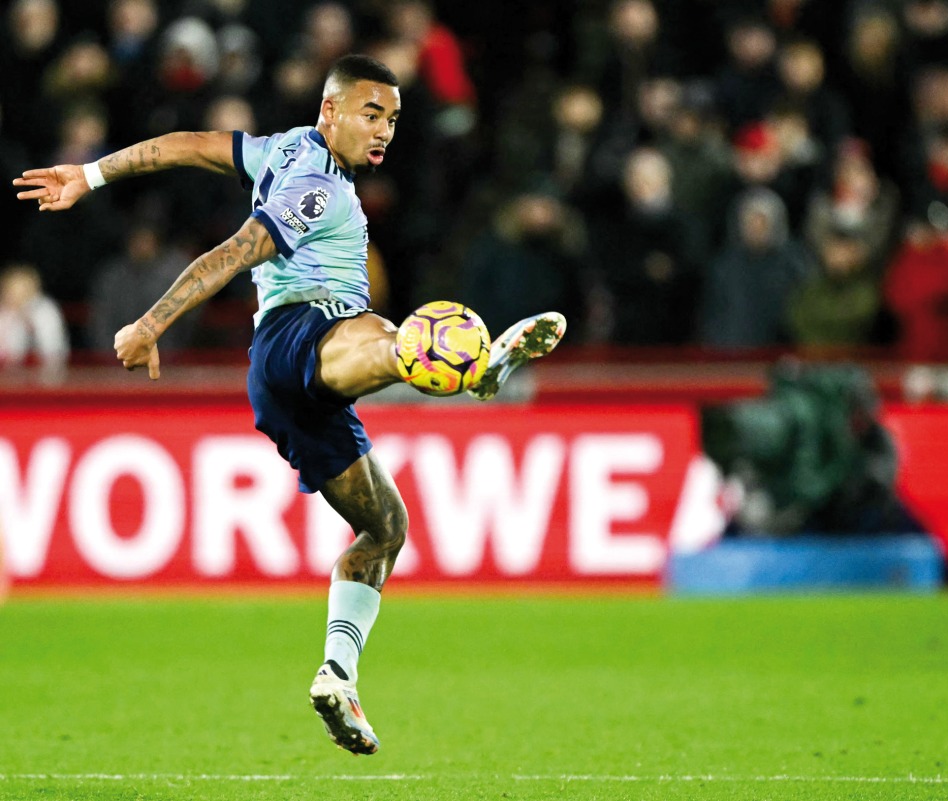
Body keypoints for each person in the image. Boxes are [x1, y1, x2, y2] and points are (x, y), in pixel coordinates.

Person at [13, 54, 565, 756]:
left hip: (287, 388)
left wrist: (91, 175)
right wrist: (152, 323)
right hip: (302, 336)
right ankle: (469, 370)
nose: (384, 131)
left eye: (393, 119)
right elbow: (236, 251)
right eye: (371, 114)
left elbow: (189, 145)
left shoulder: (281, 149)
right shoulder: (319, 191)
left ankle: (338, 673)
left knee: (385, 527)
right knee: (392, 337)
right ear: (330, 110)